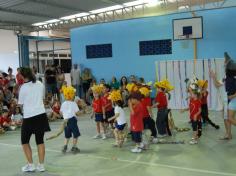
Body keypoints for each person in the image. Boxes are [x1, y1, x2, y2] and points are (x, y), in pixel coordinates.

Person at [18, 67, 50, 172]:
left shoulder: (23, 88)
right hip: (41, 116)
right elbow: (43, 97)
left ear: (22, 76)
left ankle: (31, 165)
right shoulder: (40, 84)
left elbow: (21, 104)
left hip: (28, 118)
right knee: (40, 141)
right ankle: (41, 165)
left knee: (24, 142)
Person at [61, 86, 84, 154]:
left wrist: (65, 115)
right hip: (72, 120)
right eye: (73, 94)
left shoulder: (63, 103)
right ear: (71, 95)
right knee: (75, 134)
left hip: (65, 121)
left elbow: (61, 112)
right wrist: (82, 111)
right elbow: (77, 113)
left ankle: (65, 146)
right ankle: (74, 147)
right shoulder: (73, 103)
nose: (74, 95)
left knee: (67, 135)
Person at [181, 80, 202, 145]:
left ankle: (195, 139)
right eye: (190, 94)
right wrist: (184, 110)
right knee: (195, 128)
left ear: (195, 94)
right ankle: (196, 137)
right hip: (192, 117)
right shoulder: (191, 100)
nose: (190, 95)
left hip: (196, 118)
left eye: (191, 94)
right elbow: (190, 107)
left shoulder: (198, 101)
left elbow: (200, 110)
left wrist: (196, 115)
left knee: (195, 128)